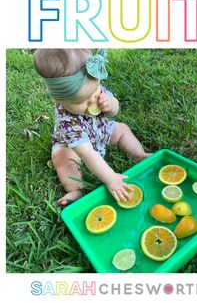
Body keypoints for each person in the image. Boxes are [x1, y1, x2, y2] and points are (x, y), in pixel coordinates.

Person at [34, 49, 151, 205]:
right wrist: (111, 178)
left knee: (121, 129)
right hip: (74, 146)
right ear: (58, 100)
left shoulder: (93, 89)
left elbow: (115, 111)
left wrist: (110, 105)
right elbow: (87, 153)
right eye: (82, 101)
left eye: (95, 91)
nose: (92, 101)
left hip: (101, 130)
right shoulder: (67, 122)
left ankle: (140, 155)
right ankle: (75, 189)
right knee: (62, 157)